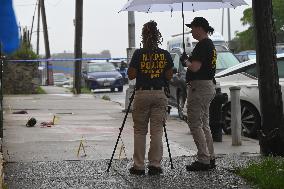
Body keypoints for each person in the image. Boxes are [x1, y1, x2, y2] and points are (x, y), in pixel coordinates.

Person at [127, 20, 174, 175]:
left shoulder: (139, 54)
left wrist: (143, 68)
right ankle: (155, 165)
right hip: (160, 94)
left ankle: (139, 166)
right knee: (157, 131)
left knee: (140, 130)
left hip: (142, 93)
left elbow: (131, 75)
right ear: (157, 36)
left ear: (143, 35)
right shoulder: (165, 54)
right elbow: (169, 75)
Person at [180, 17, 217, 171]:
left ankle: (203, 159)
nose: (191, 31)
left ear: (200, 28)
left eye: (192, 28)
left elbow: (195, 68)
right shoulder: (210, 44)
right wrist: (189, 59)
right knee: (204, 124)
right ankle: (210, 157)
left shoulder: (203, 45)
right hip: (207, 86)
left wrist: (185, 61)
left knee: (194, 123)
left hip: (199, 88)